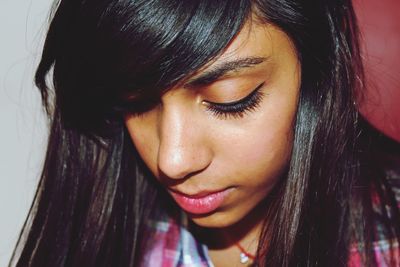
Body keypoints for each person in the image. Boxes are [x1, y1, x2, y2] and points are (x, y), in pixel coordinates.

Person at [10, 0, 400, 266]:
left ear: (317, 74)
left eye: (230, 100)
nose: (172, 160)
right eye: (135, 103)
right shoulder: (108, 229)